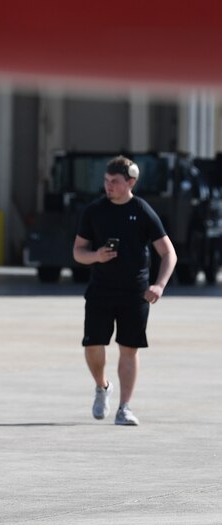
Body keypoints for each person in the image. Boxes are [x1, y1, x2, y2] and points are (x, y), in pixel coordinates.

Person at [73, 155, 177, 426]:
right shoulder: (94, 211)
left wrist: (159, 284)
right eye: (106, 181)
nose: (108, 186)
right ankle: (102, 386)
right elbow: (78, 252)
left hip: (135, 293)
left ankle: (124, 407)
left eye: (115, 182)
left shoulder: (142, 211)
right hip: (100, 290)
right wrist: (96, 255)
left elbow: (168, 254)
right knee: (93, 344)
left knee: (129, 349)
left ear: (130, 182)